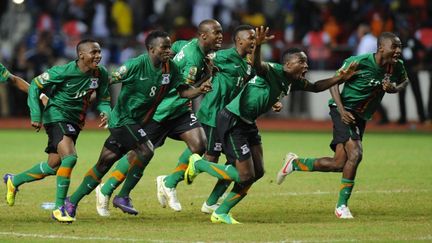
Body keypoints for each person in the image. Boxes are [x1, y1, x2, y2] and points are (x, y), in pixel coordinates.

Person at [183, 27, 358, 224]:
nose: (306, 66)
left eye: (306, 62)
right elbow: (258, 65)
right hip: (233, 120)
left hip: (248, 123)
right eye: (301, 61)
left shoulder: (294, 81)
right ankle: (199, 164)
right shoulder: (273, 71)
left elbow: (316, 87)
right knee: (244, 174)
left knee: (258, 173)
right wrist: (258, 46)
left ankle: (220, 212)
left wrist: (340, 77)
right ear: (287, 64)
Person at [64, 30, 212, 221]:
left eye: (169, 46)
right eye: (164, 47)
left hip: (138, 122)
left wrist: (199, 89)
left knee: (103, 164)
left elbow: (182, 91)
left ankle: (71, 201)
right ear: (151, 49)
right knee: (146, 150)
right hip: (122, 120)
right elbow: (109, 79)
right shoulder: (135, 65)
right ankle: (123, 195)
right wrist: (98, 102)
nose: (168, 51)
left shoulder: (171, 68)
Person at [276, 32, 408, 219]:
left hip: (361, 116)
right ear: (381, 48)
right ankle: (341, 207)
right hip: (344, 111)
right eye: (394, 46)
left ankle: (294, 164)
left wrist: (395, 88)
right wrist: (341, 109)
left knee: (339, 163)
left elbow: (405, 81)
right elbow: (334, 83)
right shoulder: (358, 62)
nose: (398, 51)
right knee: (356, 153)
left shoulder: (396, 67)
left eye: (399, 46)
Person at [3, 39, 111, 223]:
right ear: (81, 55)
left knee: (53, 166)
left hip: (76, 121)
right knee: (70, 157)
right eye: (93, 52)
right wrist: (36, 115)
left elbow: (104, 98)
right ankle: (59, 208)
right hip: (56, 116)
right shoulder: (63, 71)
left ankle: (14, 180)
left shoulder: (100, 74)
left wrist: (107, 112)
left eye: (99, 52)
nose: (98, 56)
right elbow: (36, 85)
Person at [157, 24, 257, 214]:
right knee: (209, 155)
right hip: (213, 113)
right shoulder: (224, 56)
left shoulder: (247, 65)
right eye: (250, 38)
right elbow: (201, 53)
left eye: (255, 39)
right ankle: (170, 181)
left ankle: (210, 201)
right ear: (238, 41)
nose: (253, 42)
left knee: (231, 161)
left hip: (230, 118)